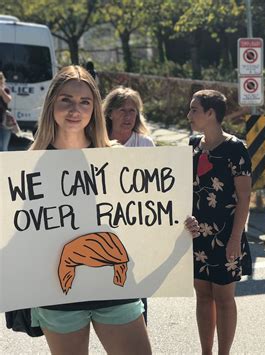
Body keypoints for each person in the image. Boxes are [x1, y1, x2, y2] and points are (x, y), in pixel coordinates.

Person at [29, 65, 152, 355]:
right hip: (57, 291)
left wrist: (177, 225)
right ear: (52, 105)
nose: (75, 109)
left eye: (85, 102)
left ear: (95, 108)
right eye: (66, 100)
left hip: (116, 284)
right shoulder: (28, 165)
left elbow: (144, 216)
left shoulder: (117, 158)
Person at [185, 89, 252, 355]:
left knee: (224, 298)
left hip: (226, 235)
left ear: (211, 113)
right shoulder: (192, 145)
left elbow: (245, 196)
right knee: (202, 296)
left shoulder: (236, 148)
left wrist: (236, 238)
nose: (189, 115)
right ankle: (206, 352)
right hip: (197, 235)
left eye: (194, 110)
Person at [103, 86, 154, 323]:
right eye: (123, 110)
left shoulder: (145, 145)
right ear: (110, 113)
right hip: (103, 229)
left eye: (133, 111)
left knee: (137, 290)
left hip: (135, 231)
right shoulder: (96, 141)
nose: (128, 116)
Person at [0, 71, 13, 151]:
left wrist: (1, 90)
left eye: (1, 78)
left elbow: (8, 100)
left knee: (4, 147)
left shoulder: (5, 90)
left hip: (5, 122)